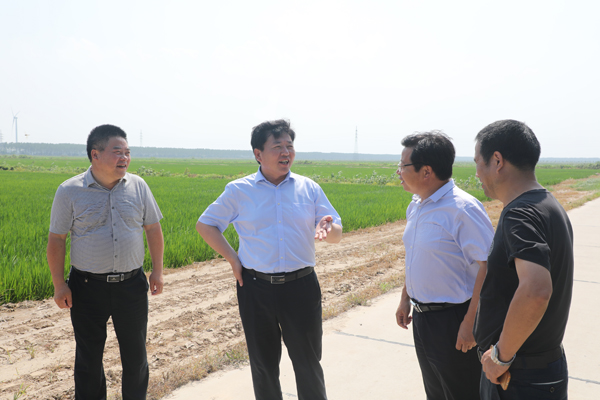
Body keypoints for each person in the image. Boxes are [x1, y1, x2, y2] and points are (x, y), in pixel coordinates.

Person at [196, 119, 342, 400]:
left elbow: (335, 232)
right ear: (258, 154)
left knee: (308, 363)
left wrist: (328, 228)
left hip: (301, 287)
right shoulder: (239, 191)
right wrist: (233, 259)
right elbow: (206, 225)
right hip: (255, 288)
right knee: (263, 366)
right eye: (277, 147)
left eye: (290, 146)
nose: (286, 152)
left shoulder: (308, 188)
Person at [47, 124, 164, 400]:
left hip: (131, 286)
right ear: (95, 154)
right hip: (87, 287)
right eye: (117, 152)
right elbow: (57, 239)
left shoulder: (138, 186)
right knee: (88, 360)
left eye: (127, 152)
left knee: (136, 357)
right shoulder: (69, 190)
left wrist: (157, 271)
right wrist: (59, 285)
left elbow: (153, 229)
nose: (125, 158)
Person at [473, 120, 573, 400]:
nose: (476, 173)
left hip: (519, 377)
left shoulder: (520, 214)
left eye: (477, 162)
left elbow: (536, 290)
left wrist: (500, 357)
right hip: (540, 369)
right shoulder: (548, 206)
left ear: (497, 161)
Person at [394, 131, 494, 400]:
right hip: (422, 319)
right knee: (435, 392)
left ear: (426, 171)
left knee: (461, 393)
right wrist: (405, 298)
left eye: (403, 165)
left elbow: (489, 266)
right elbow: (416, 256)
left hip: (454, 319)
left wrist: (471, 323)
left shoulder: (462, 209)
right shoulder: (417, 206)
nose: (398, 172)